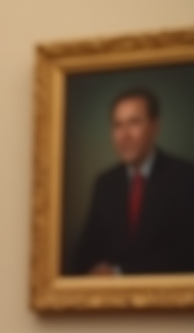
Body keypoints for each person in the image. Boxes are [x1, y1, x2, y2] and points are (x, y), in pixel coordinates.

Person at [71, 87, 194, 275]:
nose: (124, 135)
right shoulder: (105, 183)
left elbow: (187, 254)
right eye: (117, 125)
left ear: (155, 127)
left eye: (134, 123)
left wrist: (119, 273)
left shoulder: (185, 177)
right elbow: (84, 254)